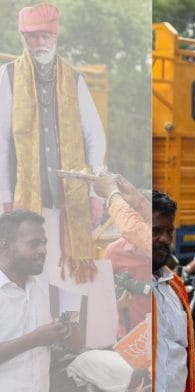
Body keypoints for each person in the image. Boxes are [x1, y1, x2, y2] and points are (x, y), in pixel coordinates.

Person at [0, 3, 106, 286]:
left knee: (69, 279)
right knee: (28, 276)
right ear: (23, 38)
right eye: (32, 36)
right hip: (26, 202)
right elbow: (2, 142)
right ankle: (35, 329)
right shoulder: (7, 76)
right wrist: (5, 196)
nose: (39, 42)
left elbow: (95, 136)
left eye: (45, 36)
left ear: (56, 36)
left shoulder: (73, 78)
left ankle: (66, 329)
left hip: (69, 203)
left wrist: (96, 194)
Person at [0, 209, 70, 392]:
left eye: (44, 243)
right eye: (34, 244)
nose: (43, 251)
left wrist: (61, 334)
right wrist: (35, 339)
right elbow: (36, 339)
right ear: (5, 246)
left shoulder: (37, 288)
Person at [151, 190, 195, 392]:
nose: (165, 239)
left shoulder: (175, 285)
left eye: (169, 231)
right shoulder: (123, 277)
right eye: (155, 231)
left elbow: (185, 354)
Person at [93, 173, 151, 337]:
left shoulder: (156, 242)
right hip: (130, 333)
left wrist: (112, 193)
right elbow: (102, 297)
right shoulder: (114, 251)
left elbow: (134, 229)